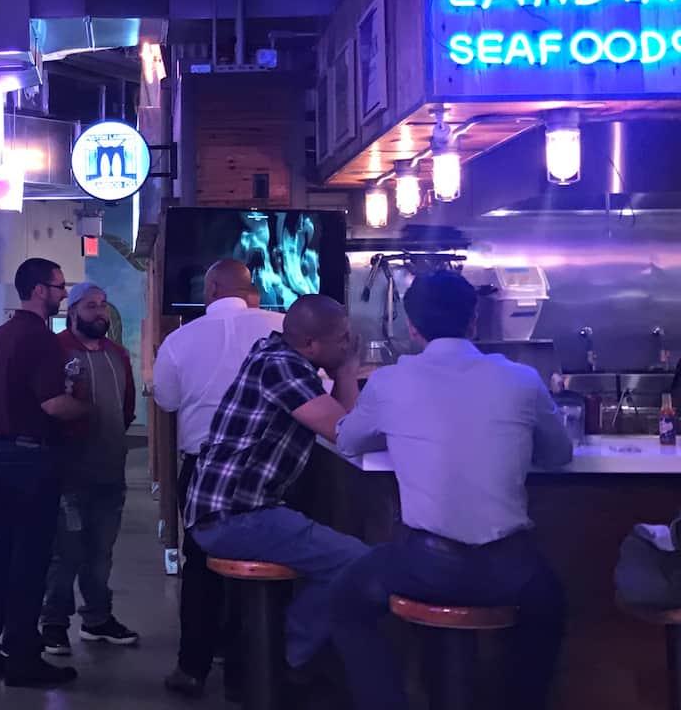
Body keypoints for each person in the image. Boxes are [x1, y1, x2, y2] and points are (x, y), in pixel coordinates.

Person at [331, 271, 573, 710]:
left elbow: (347, 440)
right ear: (474, 321)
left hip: (424, 566)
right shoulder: (522, 379)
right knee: (550, 606)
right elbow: (559, 455)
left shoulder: (389, 382)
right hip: (512, 571)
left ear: (412, 328)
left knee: (346, 602)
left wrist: (401, 430)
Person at [184, 293, 369, 680]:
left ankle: (276, 656)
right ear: (311, 344)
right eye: (342, 337)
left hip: (231, 510)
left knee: (341, 558)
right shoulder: (283, 367)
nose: (349, 344)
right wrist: (348, 372)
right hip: (233, 516)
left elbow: (340, 421)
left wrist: (341, 373)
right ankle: (285, 656)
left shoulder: (277, 354)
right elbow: (346, 433)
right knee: (357, 561)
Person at [153, 259, 286, 698]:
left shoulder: (180, 339)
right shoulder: (280, 328)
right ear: (250, 289)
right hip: (270, 469)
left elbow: (167, 401)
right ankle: (250, 670)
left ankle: (193, 668)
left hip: (205, 470)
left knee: (201, 566)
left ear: (210, 288)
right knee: (264, 565)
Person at [0, 258, 89, 689]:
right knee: (29, 561)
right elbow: (53, 404)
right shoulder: (40, 339)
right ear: (39, 290)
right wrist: (89, 409)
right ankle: (22, 657)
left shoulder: (1, 335)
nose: (63, 294)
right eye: (59, 286)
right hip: (31, 461)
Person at [40, 282, 138, 655]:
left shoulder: (118, 355)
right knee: (65, 554)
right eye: (91, 305)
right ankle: (53, 623)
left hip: (110, 471)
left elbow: (126, 409)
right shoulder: (55, 350)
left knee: (101, 553)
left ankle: (97, 619)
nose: (99, 312)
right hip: (68, 474)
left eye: (103, 305)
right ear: (73, 311)